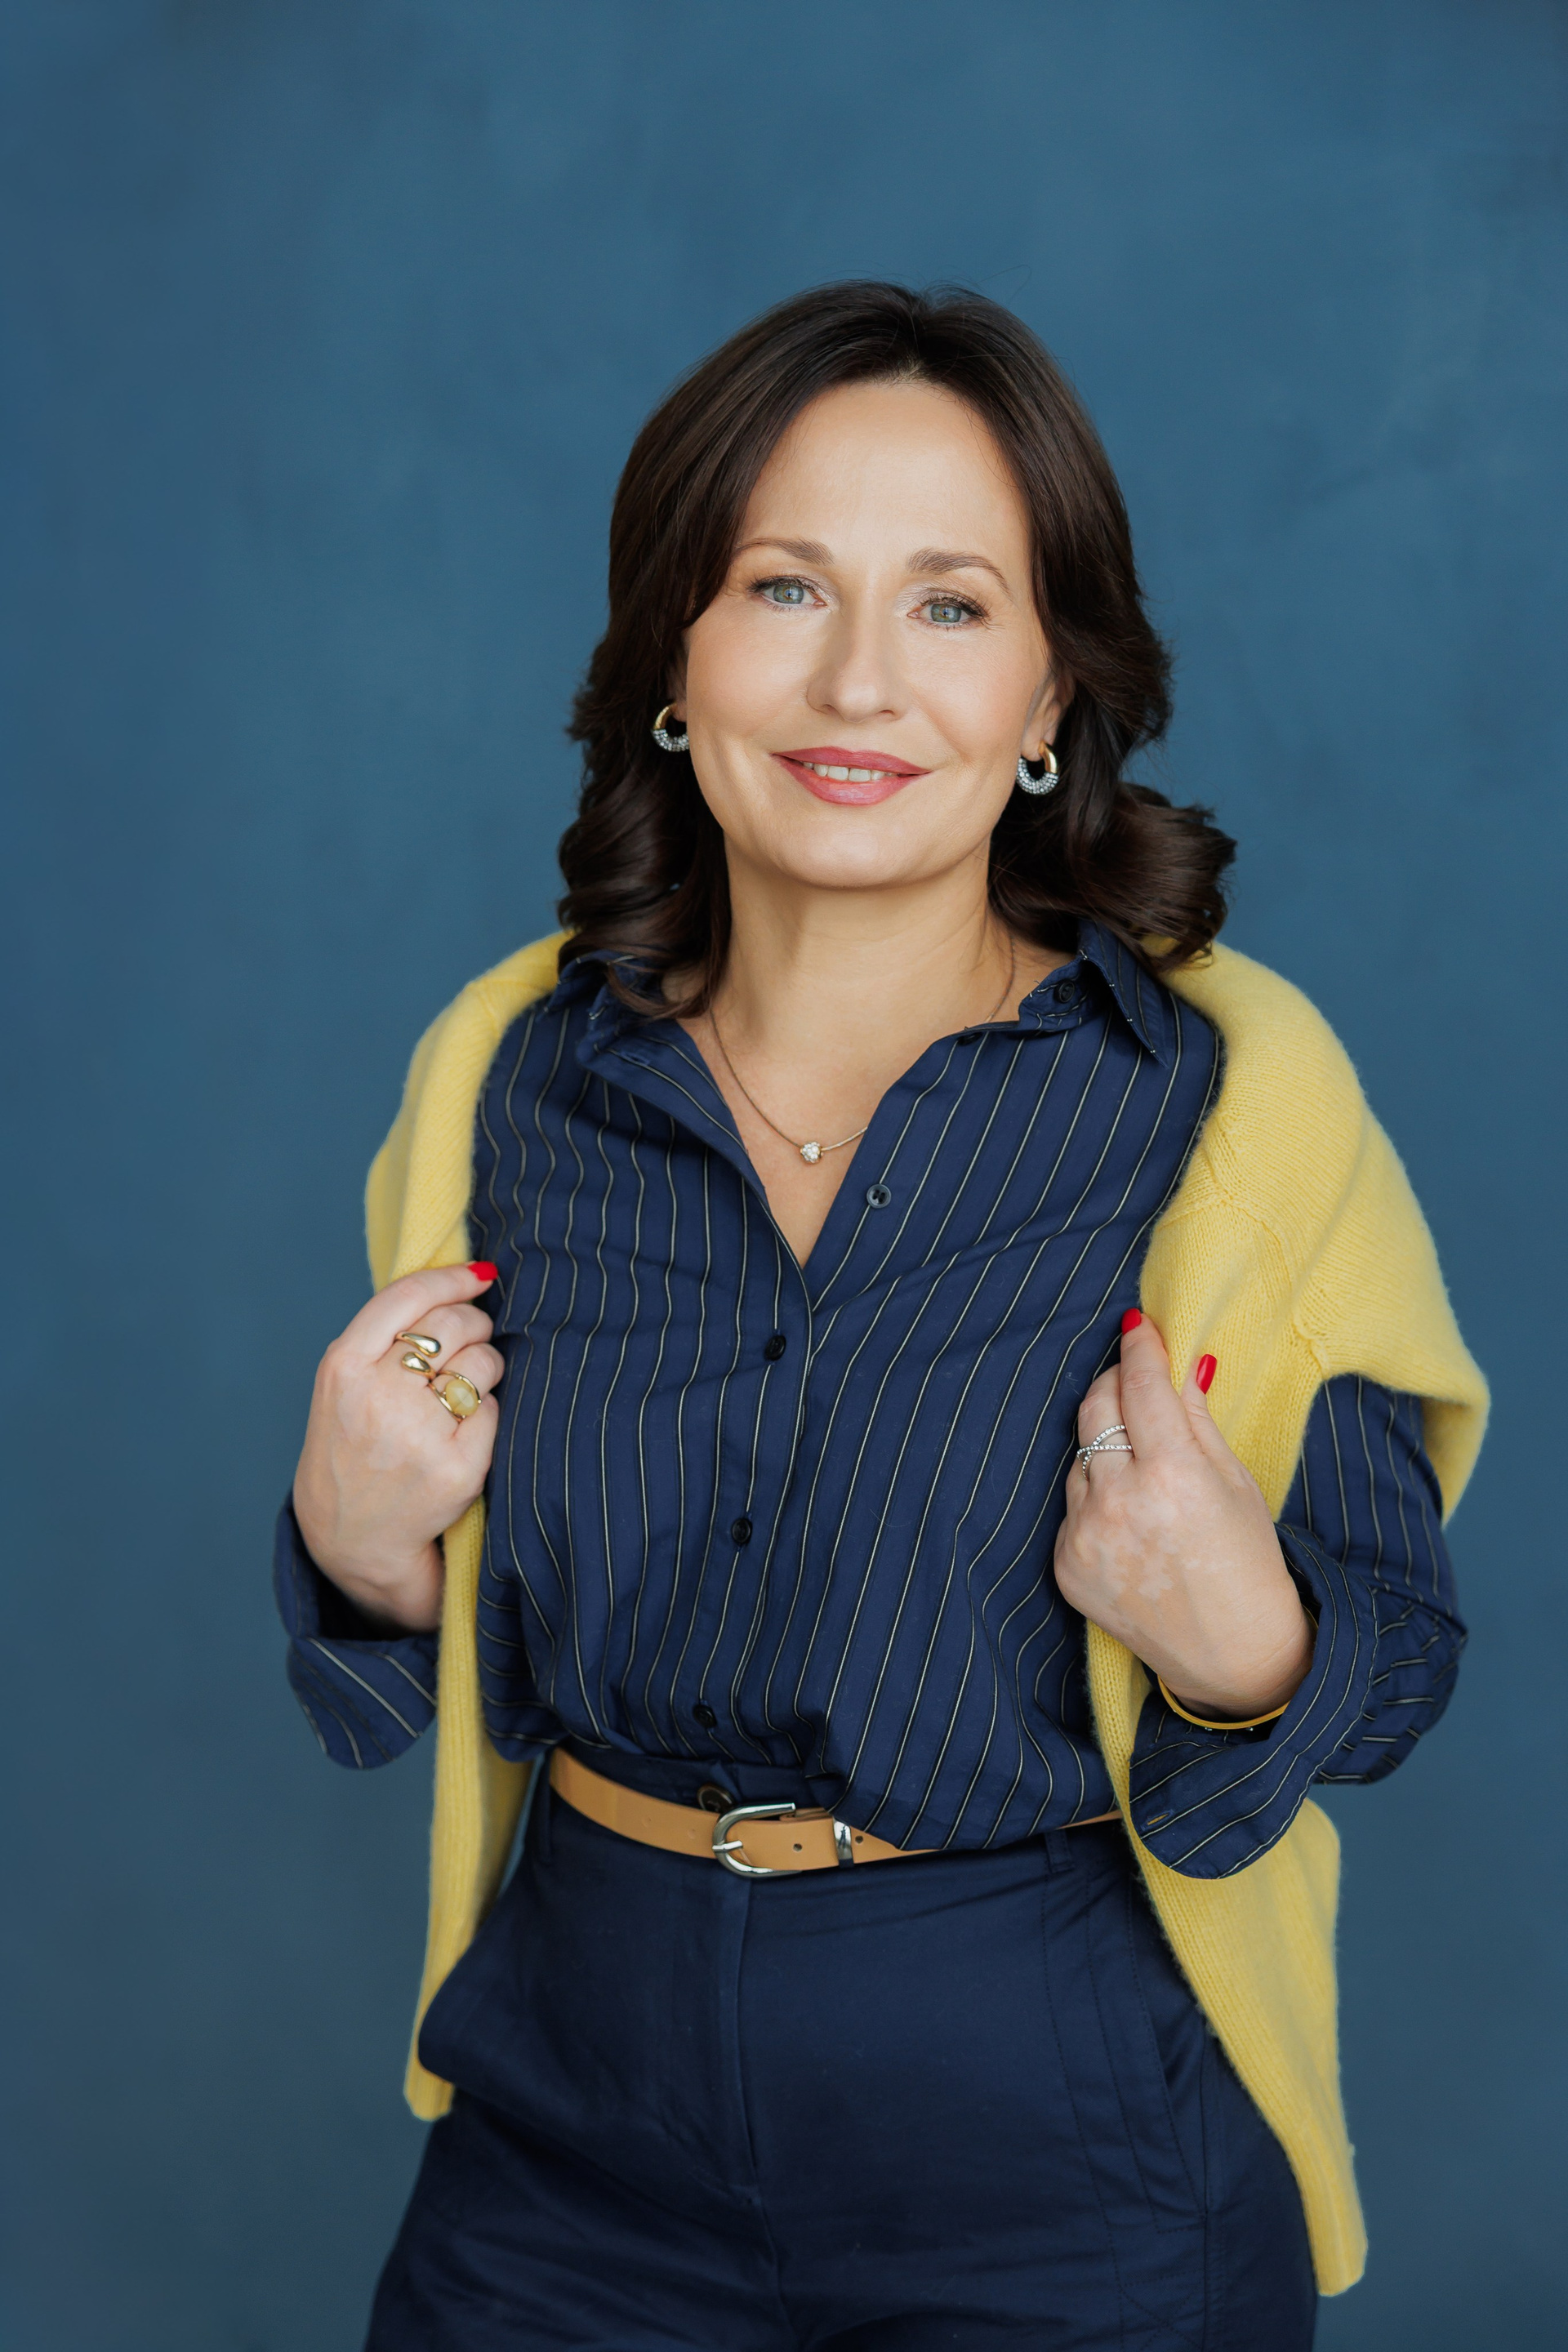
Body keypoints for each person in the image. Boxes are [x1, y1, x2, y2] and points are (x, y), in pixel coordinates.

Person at [278, 283, 1486, 2350]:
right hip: (572, 2122)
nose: (857, 680)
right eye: (782, 588)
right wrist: (354, 1548)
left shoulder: (1228, 1113)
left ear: (1049, 692)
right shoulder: (511, 1087)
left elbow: (1396, 1666)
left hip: (1061, 2143)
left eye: (949, 605)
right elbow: (401, 1662)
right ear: (676, 658)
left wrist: (1245, 1646)